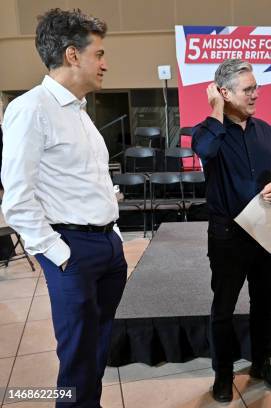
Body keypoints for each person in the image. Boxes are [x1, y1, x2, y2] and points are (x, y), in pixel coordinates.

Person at [1, 9, 127, 408]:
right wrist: (59, 254)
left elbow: (90, 180)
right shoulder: (31, 109)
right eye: (99, 54)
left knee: (97, 349)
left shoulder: (79, 111)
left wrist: (114, 232)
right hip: (72, 251)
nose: (105, 63)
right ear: (73, 55)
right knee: (76, 358)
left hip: (106, 246)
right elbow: (17, 198)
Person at [191, 59, 271, 403]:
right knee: (224, 309)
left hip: (266, 231)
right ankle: (223, 373)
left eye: (255, 87)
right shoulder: (207, 131)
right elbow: (205, 152)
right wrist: (216, 110)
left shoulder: (265, 130)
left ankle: (261, 363)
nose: (255, 95)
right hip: (228, 237)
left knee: (265, 305)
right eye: (248, 89)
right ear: (224, 93)